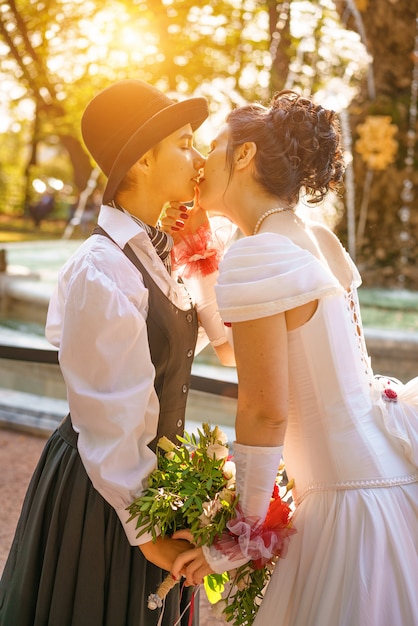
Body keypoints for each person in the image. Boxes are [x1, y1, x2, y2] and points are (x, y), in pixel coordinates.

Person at [170, 90, 418, 625]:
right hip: (385, 485)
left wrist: (239, 536)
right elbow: (241, 353)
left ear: (243, 155)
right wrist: (202, 255)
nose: (200, 163)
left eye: (213, 147)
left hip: (346, 508)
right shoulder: (314, 237)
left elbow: (265, 412)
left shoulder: (258, 252)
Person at [0, 79, 234, 626]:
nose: (198, 159)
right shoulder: (100, 270)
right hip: (106, 496)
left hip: (144, 486)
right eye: (183, 144)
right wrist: (151, 537)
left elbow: (224, 343)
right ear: (143, 161)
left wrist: (199, 242)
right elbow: (108, 423)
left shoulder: (158, 254)